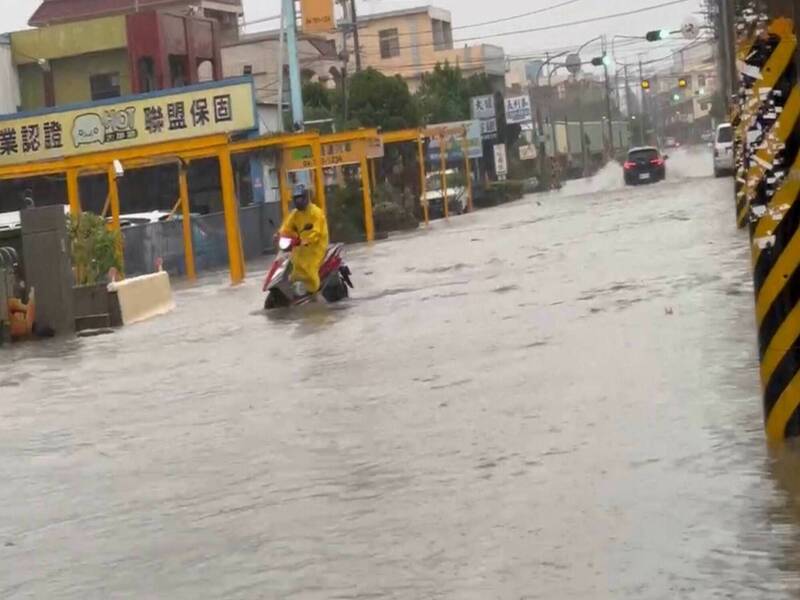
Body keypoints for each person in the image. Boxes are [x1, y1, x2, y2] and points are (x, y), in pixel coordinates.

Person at [279, 184, 329, 296]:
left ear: (306, 198)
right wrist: (279, 235)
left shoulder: (316, 213)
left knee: (309, 271)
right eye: (296, 199)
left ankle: (314, 294)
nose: (298, 201)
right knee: (294, 269)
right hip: (300, 246)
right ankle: (298, 291)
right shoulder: (295, 214)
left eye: (300, 198)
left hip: (316, 247)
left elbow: (316, 233)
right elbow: (286, 227)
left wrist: (307, 240)